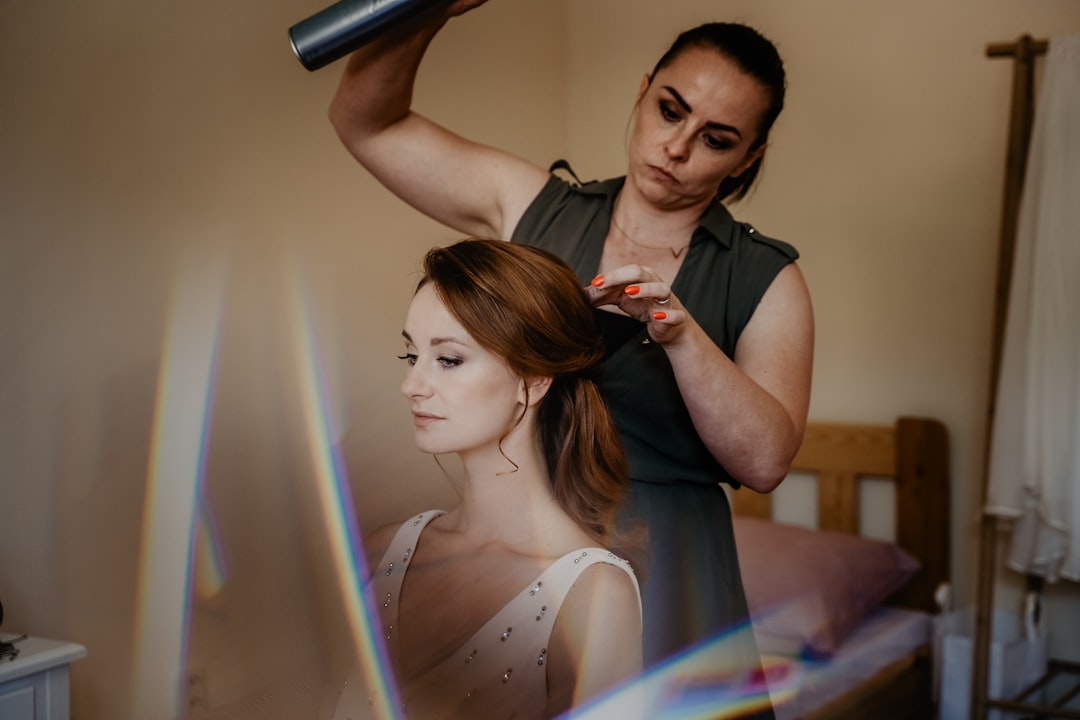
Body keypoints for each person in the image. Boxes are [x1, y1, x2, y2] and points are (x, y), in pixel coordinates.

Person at [327, 0, 814, 707]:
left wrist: (678, 332)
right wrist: (428, 11)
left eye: (715, 138)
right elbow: (364, 120)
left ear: (750, 155)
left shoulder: (764, 276)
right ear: (642, 90)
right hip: (523, 541)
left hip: (673, 559)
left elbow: (766, 461)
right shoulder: (533, 206)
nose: (676, 148)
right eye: (669, 109)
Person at [331, 239, 642, 720]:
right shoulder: (383, 554)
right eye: (410, 356)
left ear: (535, 379)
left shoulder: (592, 597)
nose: (411, 385)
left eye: (449, 359)